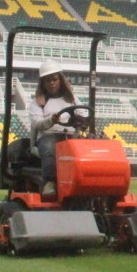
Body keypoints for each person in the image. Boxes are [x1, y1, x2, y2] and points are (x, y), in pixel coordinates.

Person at [27, 59, 78, 196]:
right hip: (49, 136)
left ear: (60, 80)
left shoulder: (71, 99)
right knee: (50, 148)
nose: (52, 82)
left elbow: (82, 113)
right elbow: (37, 123)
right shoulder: (38, 103)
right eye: (48, 80)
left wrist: (82, 119)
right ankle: (49, 183)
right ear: (43, 83)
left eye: (54, 79)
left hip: (71, 136)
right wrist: (51, 120)